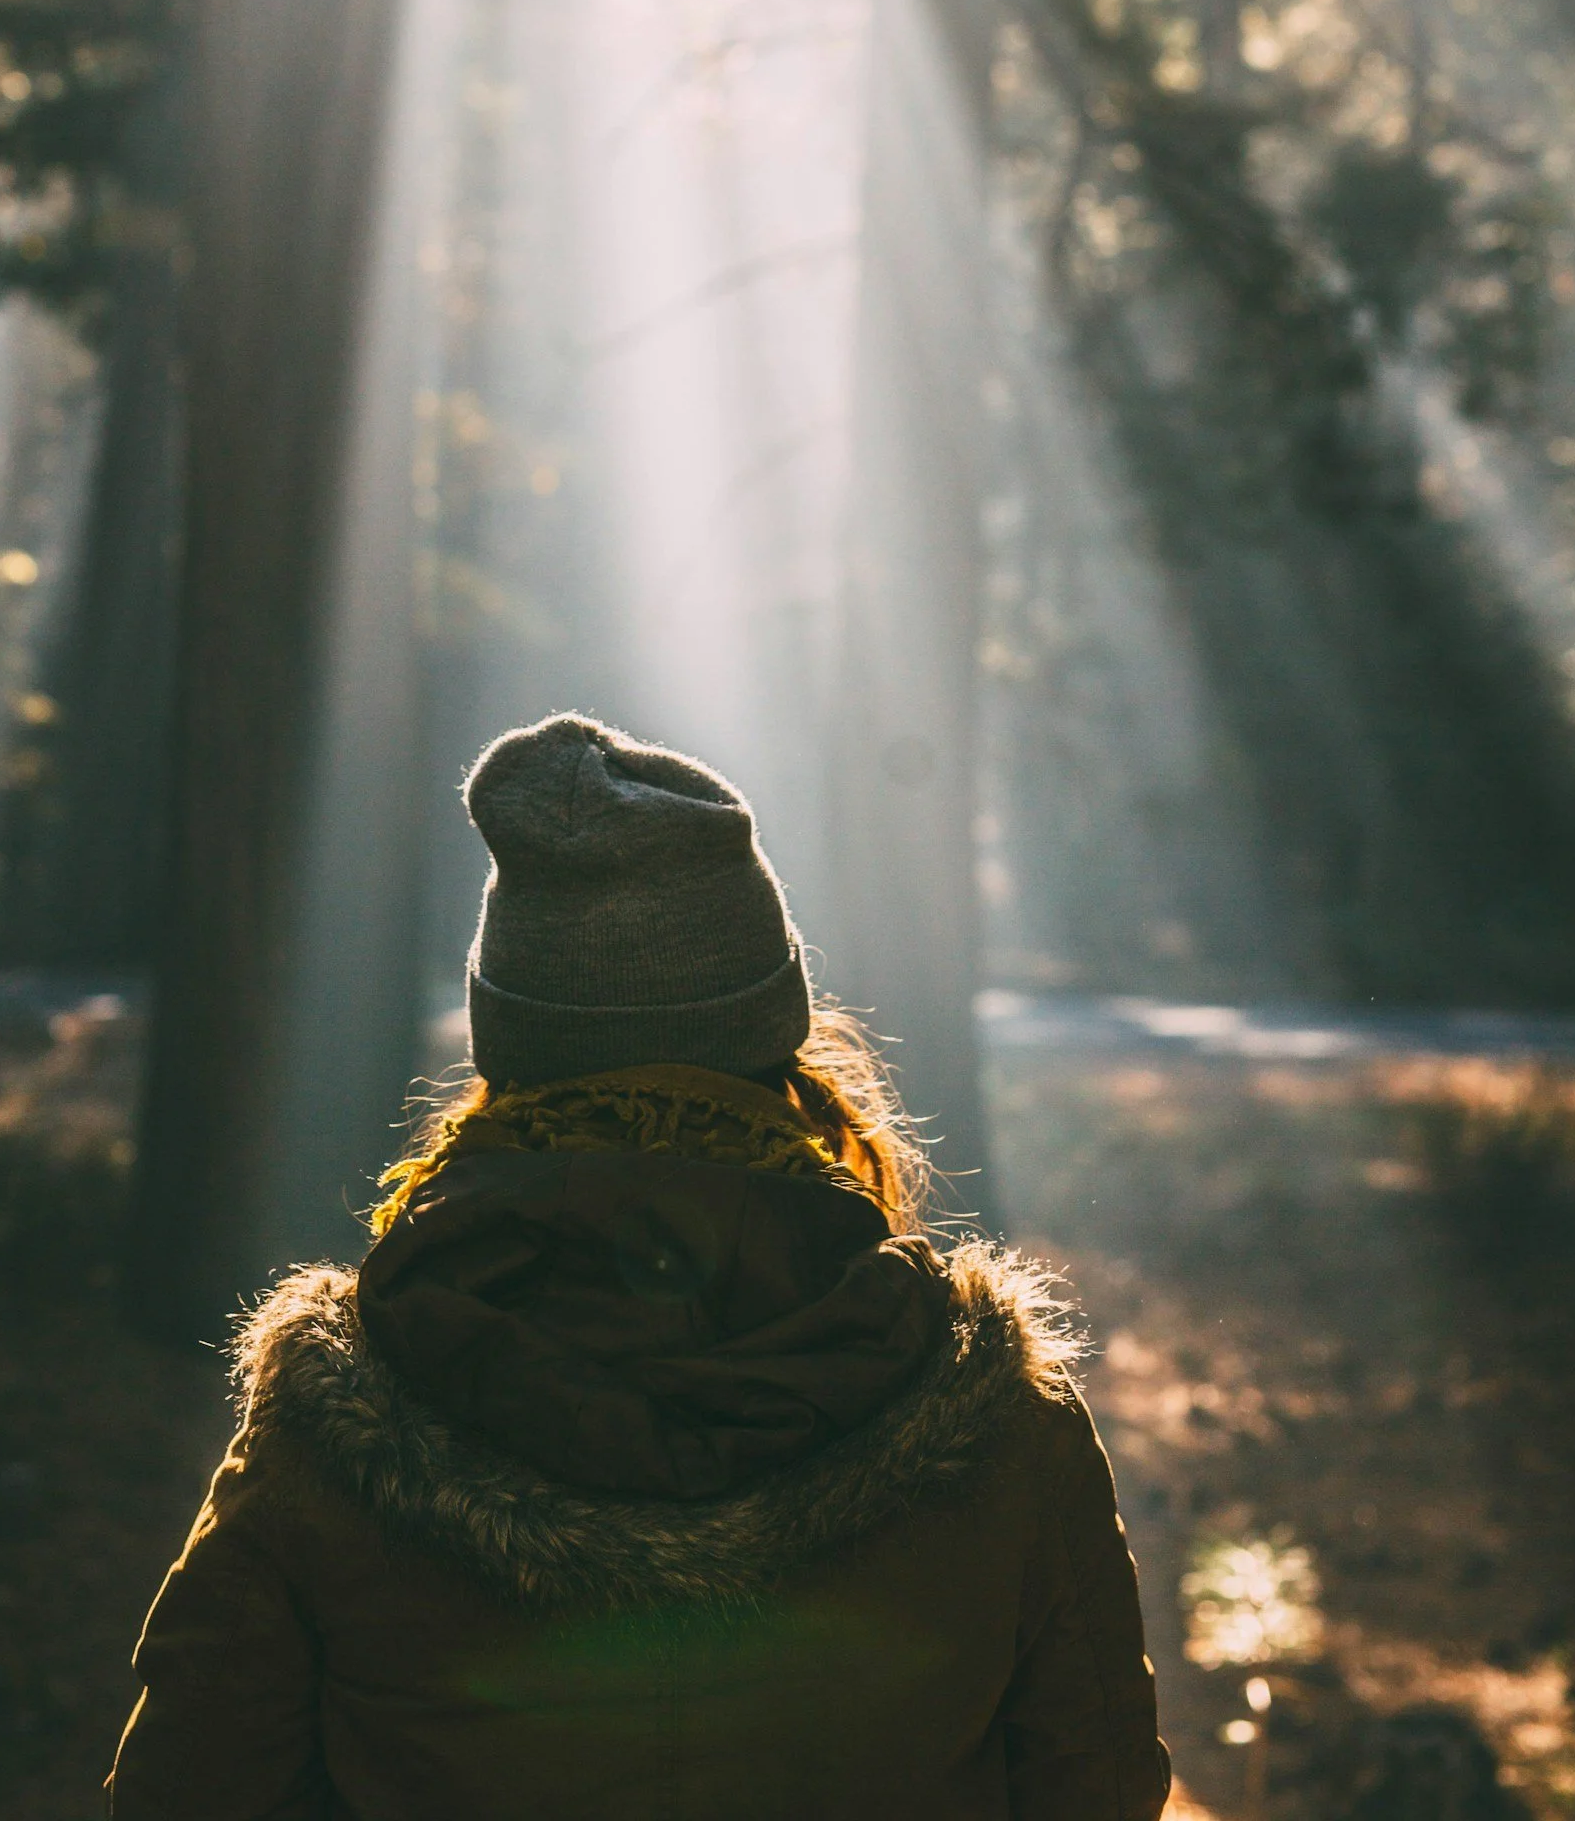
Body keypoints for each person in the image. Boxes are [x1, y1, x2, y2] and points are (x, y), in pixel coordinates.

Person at [109, 712, 1171, 1821]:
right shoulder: (993, 1418)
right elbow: (1094, 1790)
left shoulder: (339, 1424)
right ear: (777, 1032)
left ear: (507, 1049)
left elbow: (190, 1789)